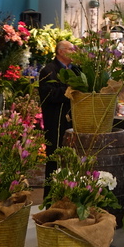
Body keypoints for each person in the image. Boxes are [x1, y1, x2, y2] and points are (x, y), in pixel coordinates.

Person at [39, 39, 78, 180]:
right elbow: (49, 95)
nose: (74, 52)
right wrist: (69, 90)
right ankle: (52, 191)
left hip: (74, 120)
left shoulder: (76, 70)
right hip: (56, 121)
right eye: (71, 49)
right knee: (56, 158)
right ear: (60, 51)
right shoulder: (48, 70)